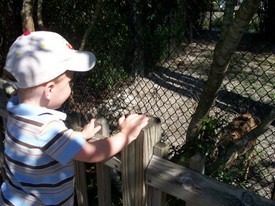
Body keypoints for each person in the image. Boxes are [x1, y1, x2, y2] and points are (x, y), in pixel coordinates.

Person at [0, 31, 148, 205]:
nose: (70, 88)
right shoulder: (46, 127)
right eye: (69, 83)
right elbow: (93, 153)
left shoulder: (15, 111)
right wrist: (126, 134)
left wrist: (80, 137)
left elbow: (46, 147)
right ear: (50, 90)